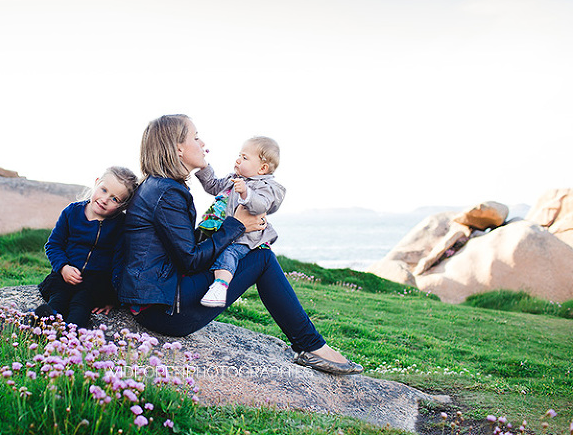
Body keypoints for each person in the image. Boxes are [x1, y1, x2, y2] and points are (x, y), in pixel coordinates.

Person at [117, 115, 363, 375]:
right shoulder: (167, 192)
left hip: (157, 299)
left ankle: (310, 344)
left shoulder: (159, 186)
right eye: (196, 137)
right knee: (263, 258)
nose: (204, 144)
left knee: (259, 254)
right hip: (165, 310)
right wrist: (237, 225)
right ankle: (311, 346)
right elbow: (189, 259)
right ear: (178, 148)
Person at [32, 166, 138, 329]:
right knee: (59, 298)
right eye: (103, 190)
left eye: (114, 199)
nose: (105, 199)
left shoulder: (119, 225)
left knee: (81, 305)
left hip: (93, 283)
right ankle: (45, 322)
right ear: (96, 183)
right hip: (65, 275)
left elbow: (119, 262)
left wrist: (113, 299)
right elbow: (53, 245)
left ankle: (71, 334)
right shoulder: (72, 212)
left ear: (123, 206)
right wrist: (63, 267)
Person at [195, 136, 286, 308]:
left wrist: (246, 193)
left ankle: (220, 287)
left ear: (262, 168)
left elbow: (261, 205)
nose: (238, 160)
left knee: (229, 254)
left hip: (246, 238)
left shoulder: (267, 186)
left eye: (245, 157)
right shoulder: (233, 178)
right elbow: (213, 186)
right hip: (228, 232)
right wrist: (203, 167)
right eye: (239, 155)